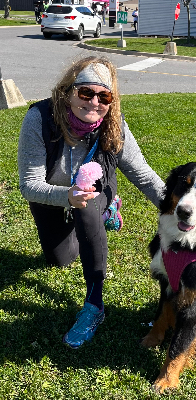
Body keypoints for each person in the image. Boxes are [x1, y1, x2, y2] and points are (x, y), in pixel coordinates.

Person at [18, 56, 165, 349]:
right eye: (86, 92)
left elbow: (146, 178)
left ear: (112, 101)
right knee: (59, 259)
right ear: (69, 91)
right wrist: (66, 197)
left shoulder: (115, 125)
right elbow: (29, 185)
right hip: (53, 195)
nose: (94, 102)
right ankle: (92, 218)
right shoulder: (39, 118)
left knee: (87, 212)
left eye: (104, 96)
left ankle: (94, 306)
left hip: (94, 191)